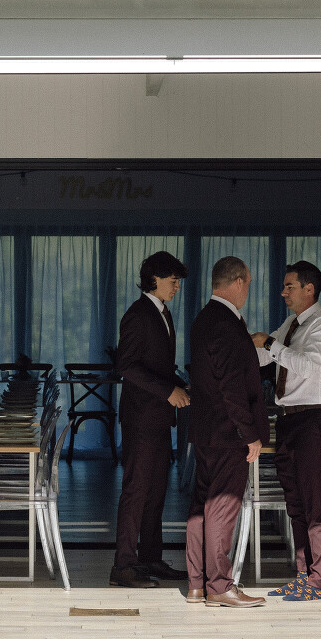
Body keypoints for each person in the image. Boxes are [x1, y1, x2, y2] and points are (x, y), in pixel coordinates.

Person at [254, 260, 321, 601]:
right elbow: (266, 358)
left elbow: (308, 366)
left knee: (314, 501)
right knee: (295, 502)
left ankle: (320, 582)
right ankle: (304, 576)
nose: (283, 292)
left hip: (312, 419)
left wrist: (269, 345)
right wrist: (247, 344)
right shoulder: (292, 323)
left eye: (289, 286)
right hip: (289, 420)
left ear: (310, 289)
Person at [184, 256, 268, 609]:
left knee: (202, 506)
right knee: (222, 506)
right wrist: (249, 433)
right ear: (238, 281)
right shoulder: (226, 323)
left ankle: (197, 584)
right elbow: (232, 385)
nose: (248, 290)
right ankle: (219, 585)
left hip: (206, 430)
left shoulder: (204, 318)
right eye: (248, 283)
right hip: (227, 432)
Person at [109, 249, 189, 588]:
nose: (177, 287)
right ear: (154, 279)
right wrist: (168, 390)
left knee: (156, 491)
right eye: (173, 281)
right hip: (141, 418)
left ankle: (150, 558)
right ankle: (123, 566)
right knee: (136, 491)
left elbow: (156, 365)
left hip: (157, 417)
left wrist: (179, 385)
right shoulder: (138, 314)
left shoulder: (162, 312)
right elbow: (126, 365)